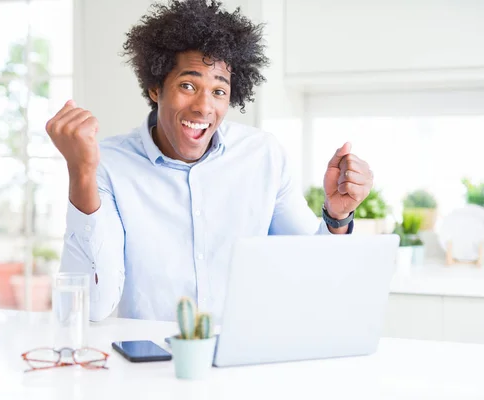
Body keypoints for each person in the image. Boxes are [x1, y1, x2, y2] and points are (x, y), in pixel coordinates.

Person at [45, 0, 373, 322]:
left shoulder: (263, 156)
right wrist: (82, 172)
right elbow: (90, 308)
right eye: (188, 85)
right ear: (156, 87)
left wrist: (338, 215)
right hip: (152, 367)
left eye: (218, 91)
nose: (204, 107)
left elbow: (312, 274)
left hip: (245, 360)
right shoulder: (110, 165)